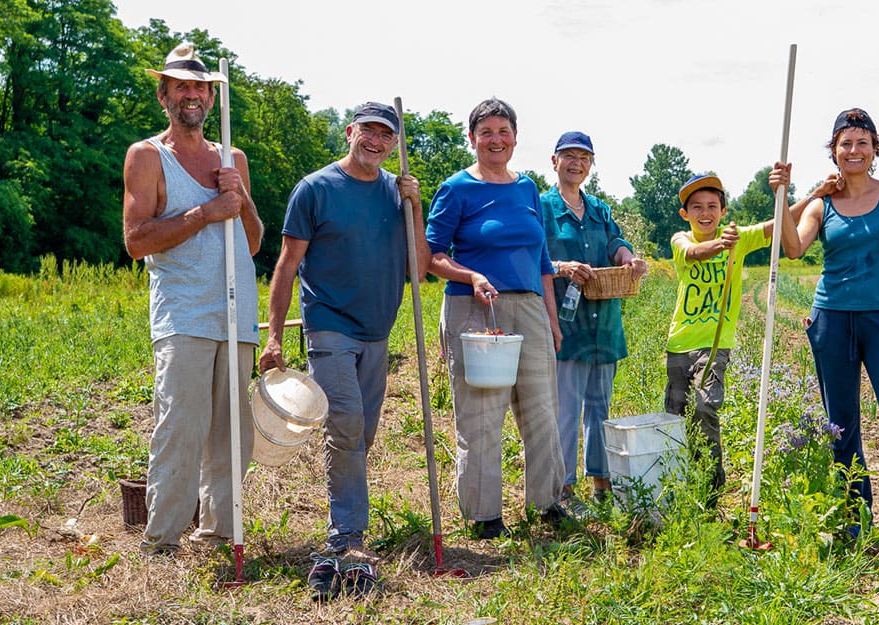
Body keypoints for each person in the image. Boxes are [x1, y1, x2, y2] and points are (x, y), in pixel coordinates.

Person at [258, 102, 427, 599]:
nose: (375, 141)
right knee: (348, 422)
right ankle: (347, 536)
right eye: (367, 131)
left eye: (385, 135)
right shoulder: (315, 189)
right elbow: (287, 265)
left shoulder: (397, 195)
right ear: (349, 132)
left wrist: (415, 209)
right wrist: (274, 336)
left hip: (378, 331)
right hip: (329, 326)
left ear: (394, 143)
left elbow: (420, 267)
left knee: (360, 434)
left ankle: (344, 512)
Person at [769, 108, 879, 547]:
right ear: (834, 151)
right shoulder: (821, 204)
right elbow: (792, 248)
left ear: (874, 149)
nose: (854, 150)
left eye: (862, 142)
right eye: (845, 143)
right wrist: (782, 195)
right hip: (833, 320)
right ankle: (854, 515)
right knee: (842, 423)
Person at [121, 42, 261, 556]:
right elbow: (136, 240)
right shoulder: (148, 156)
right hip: (184, 311)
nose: (193, 95)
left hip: (237, 310)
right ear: (164, 95)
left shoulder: (233, 158)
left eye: (201, 86)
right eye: (182, 86)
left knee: (233, 431)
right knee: (181, 426)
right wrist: (205, 212)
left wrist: (239, 199)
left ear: (212, 96)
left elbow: (252, 242)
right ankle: (162, 542)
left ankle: (220, 531)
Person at [426, 98, 568, 539]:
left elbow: (542, 258)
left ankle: (546, 504)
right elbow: (431, 255)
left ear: (516, 137)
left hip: (529, 308)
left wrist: (552, 318)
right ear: (471, 138)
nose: (495, 139)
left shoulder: (527, 189)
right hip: (475, 306)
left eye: (503, 131)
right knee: (481, 412)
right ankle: (484, 514)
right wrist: (471, 275)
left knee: (542, 408)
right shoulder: (456, 189)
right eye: (486, 132)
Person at [664, 174, 805, 501]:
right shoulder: (680, 239)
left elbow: (778, 223)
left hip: (715, 345)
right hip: (679, 343)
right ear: (685, 214)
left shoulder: (739, 238)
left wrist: (817, 195)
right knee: (674, 414)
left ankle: (710, 488)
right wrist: (720, 244)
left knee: (704, 407)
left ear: (723, 211)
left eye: (712, 205)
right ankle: (678, 484)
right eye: (696, 206)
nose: (705, 211)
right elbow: (695, 253)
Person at [540, 131, 648, 505]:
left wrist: (626, 259)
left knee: (600, 407)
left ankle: (601, 481)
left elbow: (616, 242)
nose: (577, 163)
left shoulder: (600, 209)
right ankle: (563, 486)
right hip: (566, 327)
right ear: (554, 161)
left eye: (584, 157)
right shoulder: (541, 208)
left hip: (603, 324)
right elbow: (532, 258)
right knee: (566, 410)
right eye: (568, 156)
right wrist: (562, 267)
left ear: (591, 165)